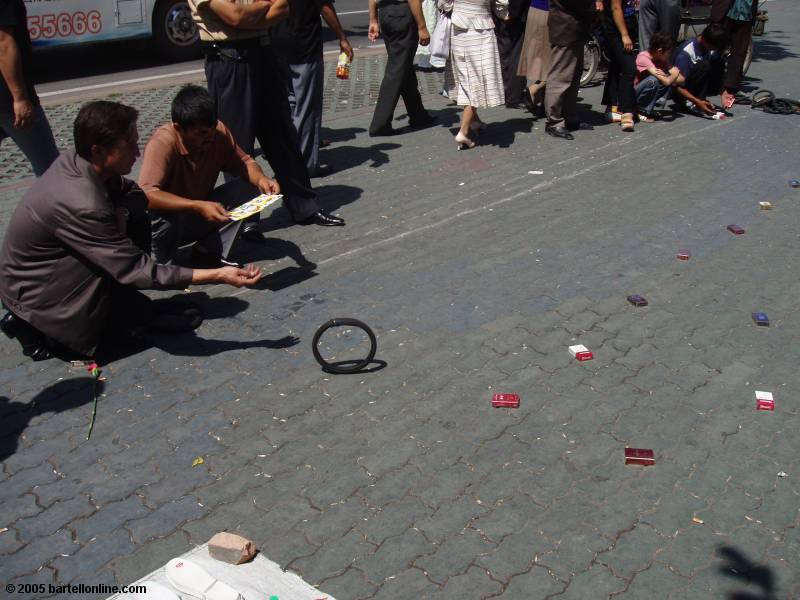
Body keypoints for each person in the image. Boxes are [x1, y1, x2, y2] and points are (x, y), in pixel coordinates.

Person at [0, 101, 263, 362]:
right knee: (129, 335)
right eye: (130, 145)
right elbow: (139, 271)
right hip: (40, 292)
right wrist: (219, 274)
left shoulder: (81, 160)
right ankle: (36, 327)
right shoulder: (83, 203)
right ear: (99, 151)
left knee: (135, 226)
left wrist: (121, 214)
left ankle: (119, 307)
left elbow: (136, 195)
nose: (137, 153)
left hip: (51, 271)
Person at [188, 0, 344, 231]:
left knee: (283, 136)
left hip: (263, 52)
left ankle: (304, 206)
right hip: (228, 58)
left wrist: (248, 17)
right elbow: (235, 16)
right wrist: (259, 11)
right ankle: (247, 221)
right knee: (238, 144)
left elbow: (282, 8)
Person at [139, 85, 280, 267]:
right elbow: (147, 194)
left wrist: (262, 180)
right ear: (179, 128)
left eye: (212, 129)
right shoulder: (163, 143)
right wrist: (196, 206)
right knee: (164, 271)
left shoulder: (217, 132)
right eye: (201, 133)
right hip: (167, 221)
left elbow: (244, 162)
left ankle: (208, 251)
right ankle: (163, 263)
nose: (210, 137)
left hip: (200, 211)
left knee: (250, 188)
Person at [272, 0, 353, 178]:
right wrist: (342, 37)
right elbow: (324, 6)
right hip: (304, 46)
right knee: (307, 109)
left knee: (290, 105)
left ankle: (288, 160)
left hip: (277, 45)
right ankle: (306, 165)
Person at [0, 0, 58, 177]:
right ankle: (54, 203)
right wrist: (20, 97)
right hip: (7, 99)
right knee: (50, 167)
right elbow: (3, 43)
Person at [442, 0, 509, 150]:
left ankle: (474, 121)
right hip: (481, 29)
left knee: (466, 78)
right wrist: (503, 15)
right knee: (478, 80)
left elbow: (444, 4)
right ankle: (463, 132)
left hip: (459, 28)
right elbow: (501, 5)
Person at [368, 0, 436, 136]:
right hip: (402, 14)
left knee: (403, 65)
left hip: (385, 14)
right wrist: (422, 26)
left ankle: (418, 115)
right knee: (397, 69)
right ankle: (380, 124)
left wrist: (373, 19)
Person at [544, 0, 596, 140]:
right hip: (565, 27)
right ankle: (554, 122)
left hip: (574, 27)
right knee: (560, 77)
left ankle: (570, 117)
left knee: (573, 77)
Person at [673, 23, 729, 117]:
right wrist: (697, 102)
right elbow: (676, 86)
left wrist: (723, 92)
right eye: (712, 47)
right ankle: (691, 102)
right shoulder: (685, 54)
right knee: (704, 65)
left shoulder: (707, 46)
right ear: (704, 40)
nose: (713, 49)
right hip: (679, 91)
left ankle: (701, 98)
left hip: (695, 82)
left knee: (718, 59)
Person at [600, 0, 639, 132]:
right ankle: (626, 112)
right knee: (629, 68)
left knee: (617, 66)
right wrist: (625, 35)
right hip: (616, 31)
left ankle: (611, 107)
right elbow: (616, 8)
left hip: (627, 25)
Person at [711, 0, 758, 108]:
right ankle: (710, 82)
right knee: (715, 47)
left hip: (745, 14)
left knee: (739, 53)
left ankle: (730, 88)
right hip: (725, 12)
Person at [634, 31, 682, 118]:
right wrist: (673, 75)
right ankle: (640, 110)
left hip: (643, 94)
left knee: (665, 79)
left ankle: (646, 108)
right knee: (654, 80)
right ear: (660, 51)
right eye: (669, 53)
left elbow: (682, 79)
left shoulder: (662, 60)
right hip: (633, 93)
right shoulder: (643, 58)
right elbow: (668, 80)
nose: (670, 56)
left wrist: (668, 76)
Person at [517, 0, 551, 119]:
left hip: (535, 10)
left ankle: (541, 104)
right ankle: (533, 90)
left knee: (542, 60)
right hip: (547, 12)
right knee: (555, 61)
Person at [494, 0, 528, 108]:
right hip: (509, 14)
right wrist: (506, 14)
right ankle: (512, 96)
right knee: (513, 54)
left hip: (506, 13)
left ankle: (506, 93)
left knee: (506, 53)